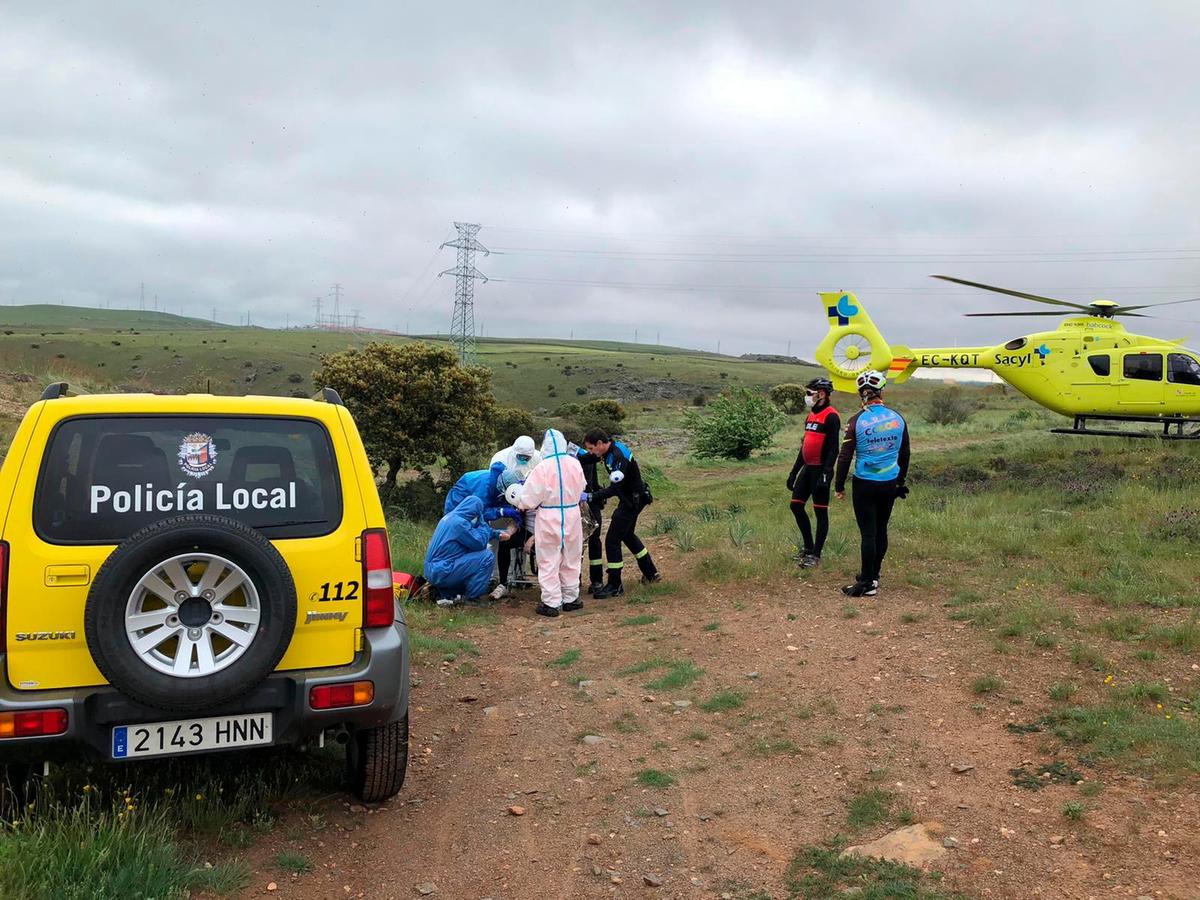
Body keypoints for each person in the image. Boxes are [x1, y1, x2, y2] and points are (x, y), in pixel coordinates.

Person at [833, 370, 910, 598]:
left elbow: (845, 456)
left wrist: (839, 486)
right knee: (881, 529)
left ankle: (866, 583)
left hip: (865, 482)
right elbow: (905, 452)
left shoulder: (856, 420)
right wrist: (900, 480)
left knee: (868, 533)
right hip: (889, 481)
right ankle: (874, 575)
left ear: (862, 394)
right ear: (881, 391)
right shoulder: (897, 418)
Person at [515, 428, 587, 617]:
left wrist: (519, 501)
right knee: (571, 557)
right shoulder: (574, 464)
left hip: (548, 516)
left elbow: (528, 499)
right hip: (571, 514)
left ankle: (552, 602)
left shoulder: (542, 468)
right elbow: (582, 487)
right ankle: (571, 598)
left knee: (548, 559)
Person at [582, 428, 659, 598]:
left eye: (590, 448)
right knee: (628, 535)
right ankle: (651, 573)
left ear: (600, 444)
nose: (590, 452)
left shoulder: (617, 457)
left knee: (612, 540)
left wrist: (590, 496)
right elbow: (589, 458)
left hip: (632, 502)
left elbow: (614, 489)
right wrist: (571, 455)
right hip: (631, 499)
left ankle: (615, 585)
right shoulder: (608, 450)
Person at [786, 377, 841, 568]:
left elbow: (834, 448)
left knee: (820, 512)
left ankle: (816, 555)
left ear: (822, 394)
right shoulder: (810, 416)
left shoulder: (831, 416)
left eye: (810, 393)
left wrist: (827, 472)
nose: (806, 396)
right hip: (807, 468)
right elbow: (804, 446)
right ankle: (808, 548)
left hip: (820, 469)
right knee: (796, 506)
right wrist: (794, 471)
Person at [424, 496, 517, 605]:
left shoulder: (450, 518)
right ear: (475, 512)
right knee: (486, 556)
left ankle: (442, 592)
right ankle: (472, 598)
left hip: (434, 569)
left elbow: (472, 532)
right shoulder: (459, 524)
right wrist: (483, 523)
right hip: (443, 569)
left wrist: (496, 534)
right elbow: (478, 543)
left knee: (468, 556)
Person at [489, 470, 537, 600]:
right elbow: (516, 521)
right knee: (504, 542)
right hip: (527, 531)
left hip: (545, 534)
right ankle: (503, 584)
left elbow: (552, 524)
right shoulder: (518, 498)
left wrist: (533, 539)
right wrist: (509, 533)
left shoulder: (540, 499)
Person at [444, 460, 513, 520]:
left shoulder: (501, 480)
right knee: (456, 525)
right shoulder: (484, 489)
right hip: (458, 500)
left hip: (470, 494)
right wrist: (501, 511)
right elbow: (481, 512)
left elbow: (498, 499)